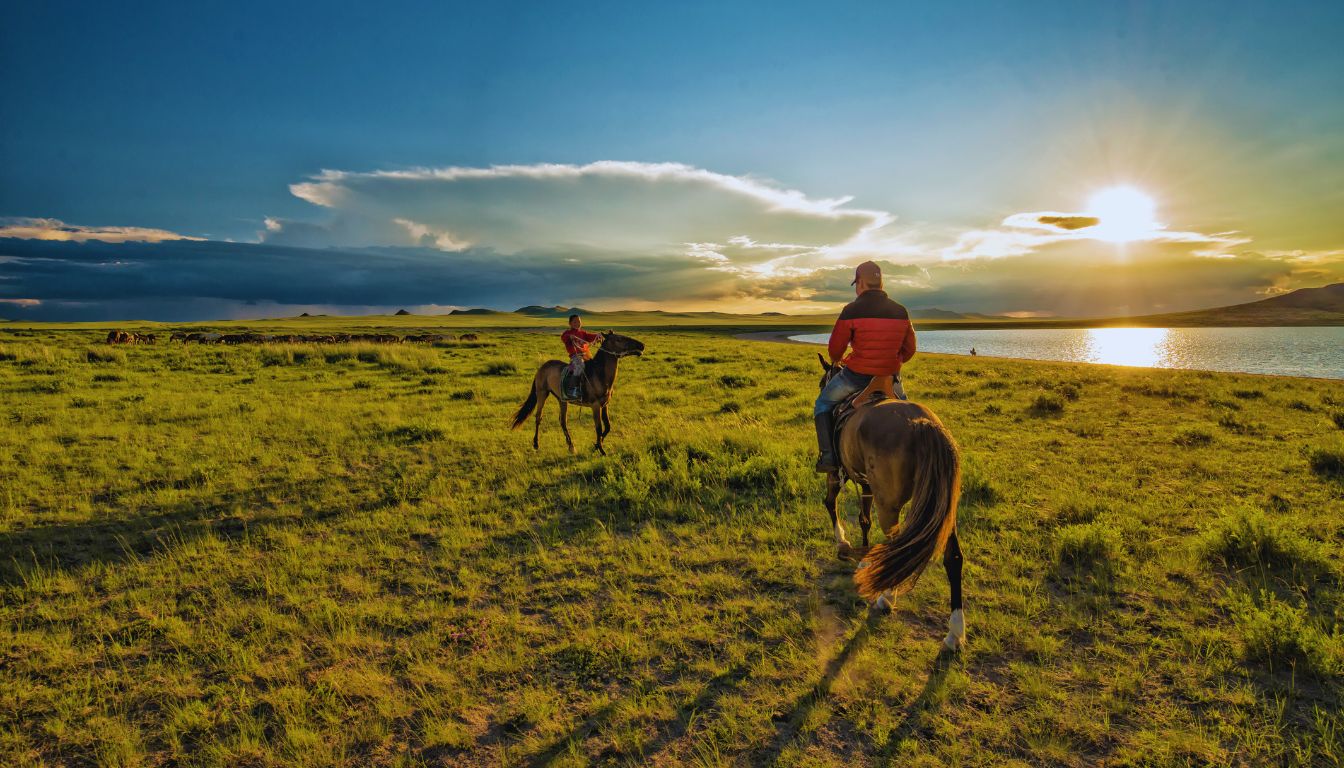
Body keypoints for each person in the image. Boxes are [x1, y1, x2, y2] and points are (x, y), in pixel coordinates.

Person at [814, 261, 917, 472]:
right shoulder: (900, 311)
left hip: (855, 377)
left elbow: (834, 352)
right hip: (890, 379)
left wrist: (844, 358)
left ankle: (829, 459)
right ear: (880, 282)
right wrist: (892, 363)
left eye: (856, 284)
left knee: (822, 404)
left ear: (860, 283)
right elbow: (910, 350)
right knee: (912, 416)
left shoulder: (851, 311)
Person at [560, 314, 600, 399]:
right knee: (580, 366)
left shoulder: (582, 333)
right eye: (575, 322)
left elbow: (591, 336)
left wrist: (598, 335)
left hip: (585, 356)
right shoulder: (567, 333)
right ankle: (572, 389)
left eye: (579, 321)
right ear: (570, 323)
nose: (577, 323)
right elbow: (563, 338)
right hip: (575, 357)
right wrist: (569, 337)